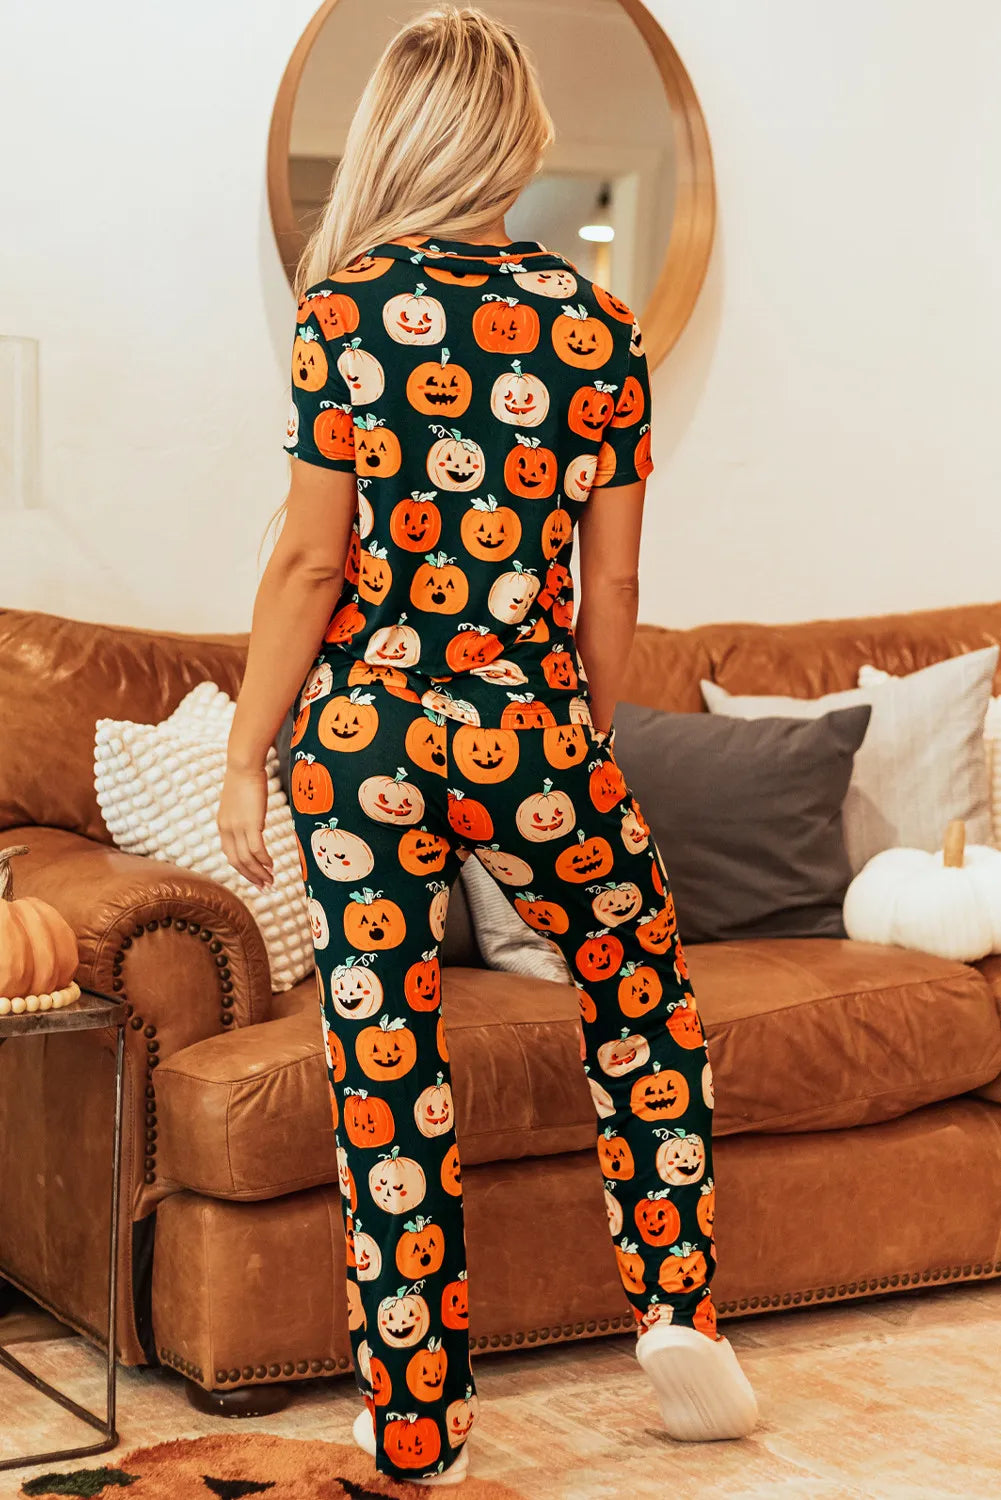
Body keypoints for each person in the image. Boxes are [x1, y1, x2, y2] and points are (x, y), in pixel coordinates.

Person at [219, 5, 758, 1486]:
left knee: (385, 1058)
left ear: (402, 130)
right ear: (513, 140)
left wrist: (245, 750)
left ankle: (416, 1423)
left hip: (360, 734)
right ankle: (675, 1307)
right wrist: (575, 733)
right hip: (528, 721)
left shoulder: (343, 313)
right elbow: (619, 587)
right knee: (640, 996)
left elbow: (310, 569)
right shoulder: (596, 325)